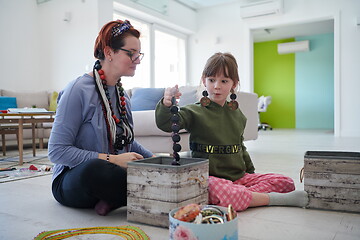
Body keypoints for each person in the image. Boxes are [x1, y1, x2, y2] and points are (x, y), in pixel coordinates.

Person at [155, 52, 308, 211]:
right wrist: (166, 104)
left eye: (224, 81)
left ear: (234, 84)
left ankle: (242, 197)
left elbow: (241, 147)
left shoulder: (237, 114)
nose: (217, 86)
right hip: (211, 180)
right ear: (203, 80)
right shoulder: (194, 111)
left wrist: (251, 175)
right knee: (218, 189)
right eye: (211, 80)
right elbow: (166, 123)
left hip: (239, 179)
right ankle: (265, 199)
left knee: (285, 182)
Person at [48, 20, 153, 216]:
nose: (137, 59)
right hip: (75, 178)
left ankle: (115, 198)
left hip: (110, 173)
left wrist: (153, 159)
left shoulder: (122, 95)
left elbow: (126, 141)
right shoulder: (77, 90)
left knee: (149, 169)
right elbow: (57, 151)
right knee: (95, 170)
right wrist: (112, 159)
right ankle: (147, 194)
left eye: (139, 54)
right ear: (109, 52)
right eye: (131, 53)